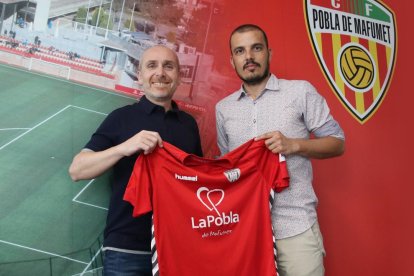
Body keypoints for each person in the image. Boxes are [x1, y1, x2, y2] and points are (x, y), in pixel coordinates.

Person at [215, 24, 345, 276]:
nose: (249, 57)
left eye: (256, 48)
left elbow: (337, 141)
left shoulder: (300, 91)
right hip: (244, 233)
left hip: (295, 228)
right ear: (232, 61)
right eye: (240, 51)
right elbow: (226, 165)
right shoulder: (223, 108)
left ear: (269, 53)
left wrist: (294, 145)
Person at [69, 45, 203, 276]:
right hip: (126, 250)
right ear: (140, 76)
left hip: (175, 250)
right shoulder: (121, 118)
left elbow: (197, 182)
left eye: (168, 66)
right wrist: (125, 147)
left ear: (178, 77)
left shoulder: (189, 126)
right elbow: (77, 170)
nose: (160, 73)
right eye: (152, 66)